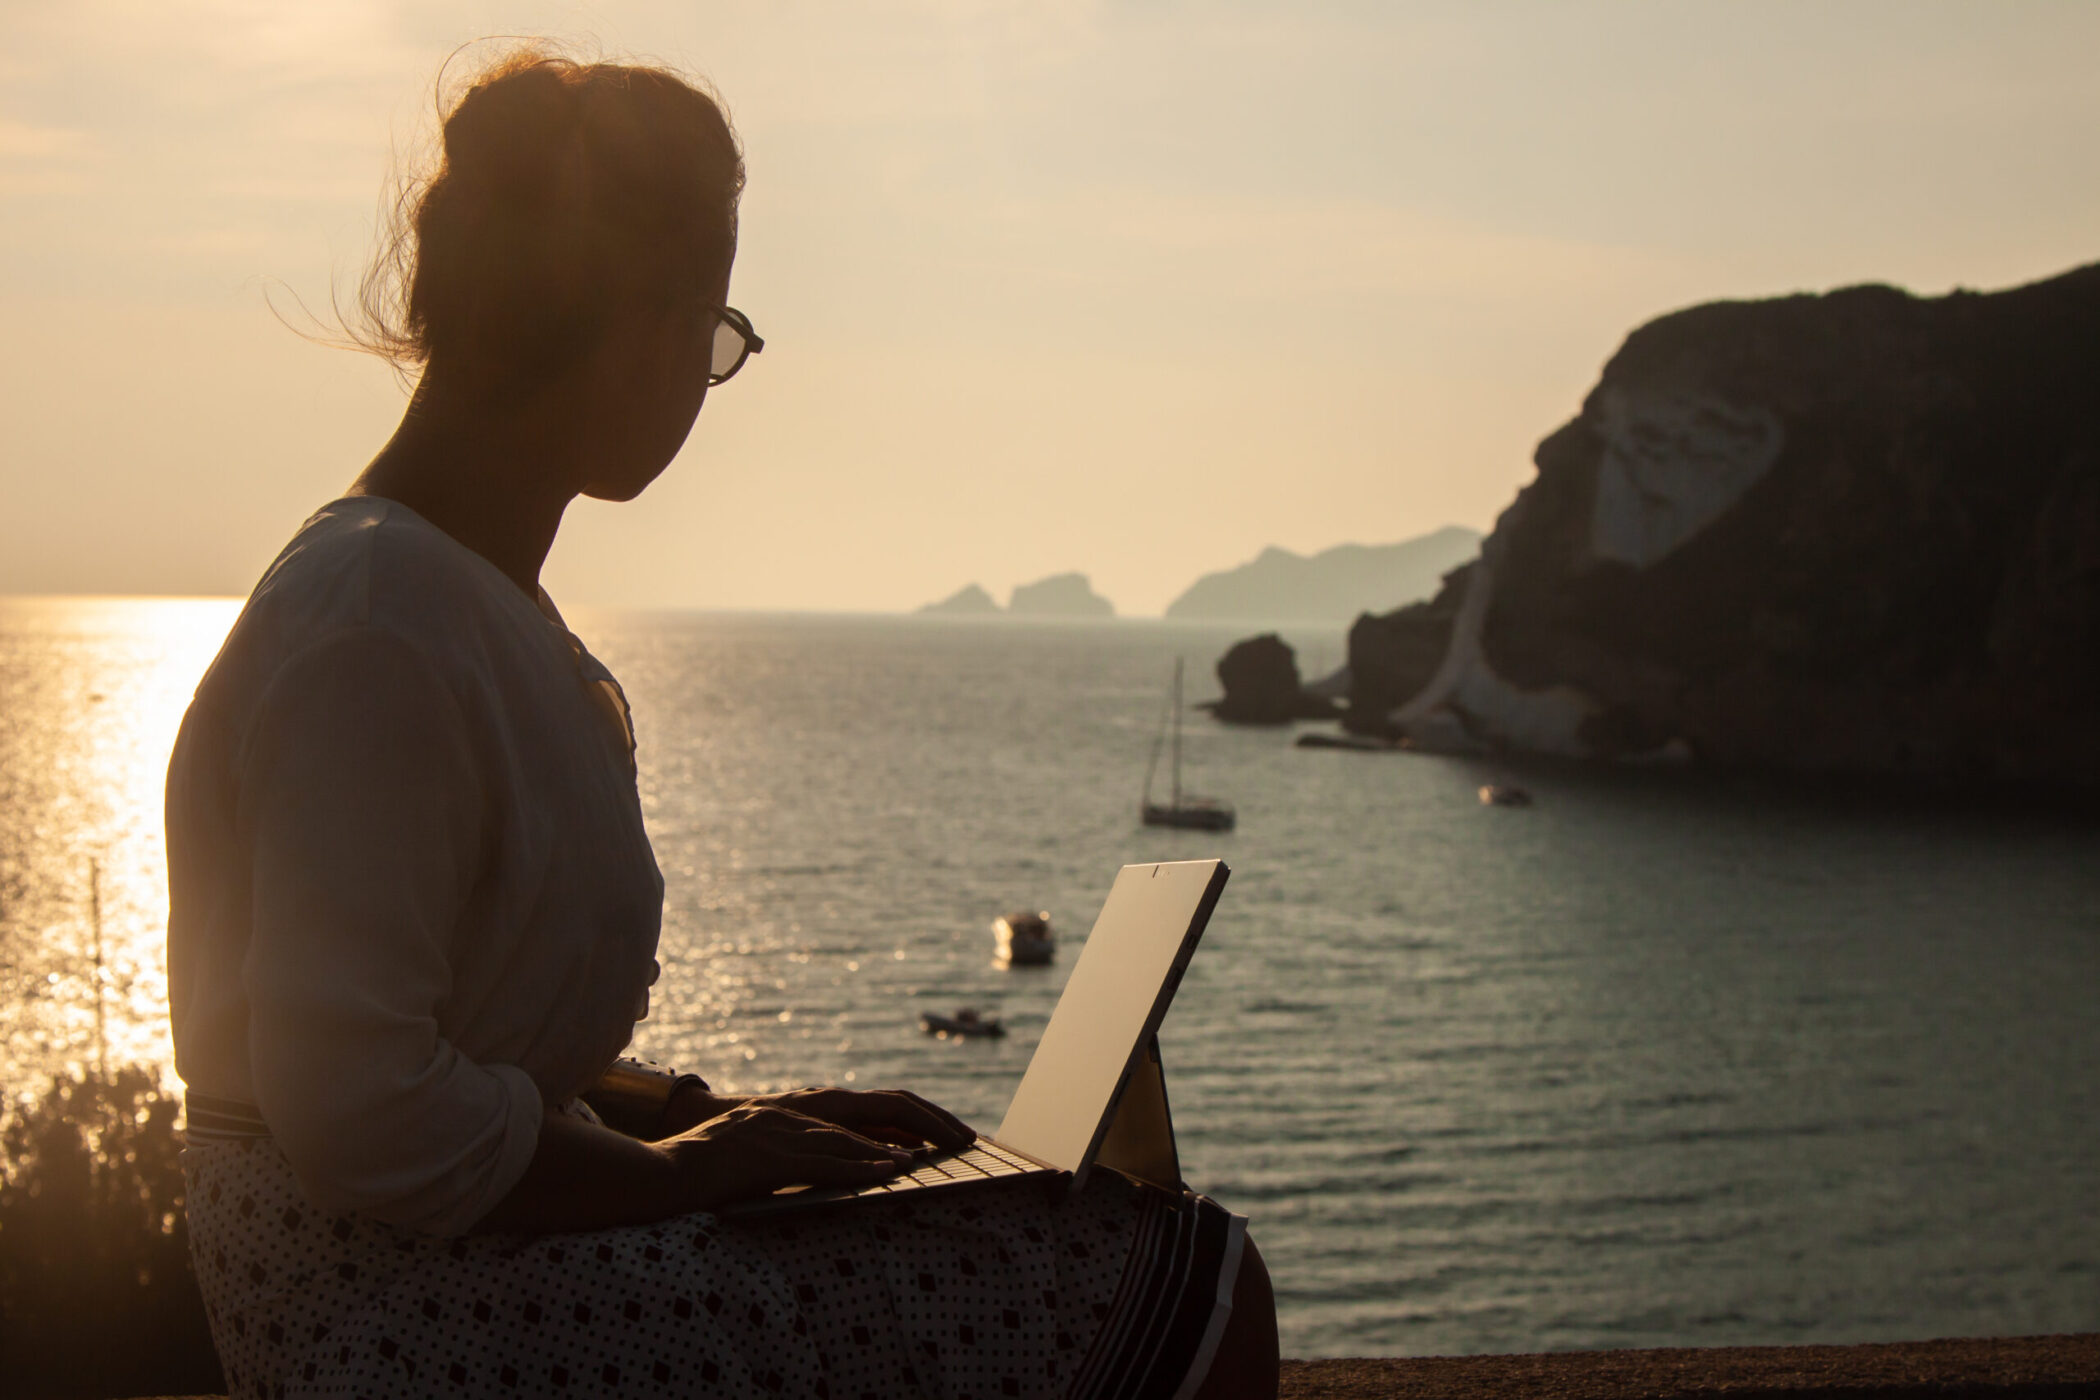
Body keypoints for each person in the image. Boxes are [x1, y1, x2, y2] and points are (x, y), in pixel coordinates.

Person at [165, 46, 1277, 1400]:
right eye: (711, 330)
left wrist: (713, 1116)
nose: (706, 379)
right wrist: (677, 1174)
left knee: (1085, 1243)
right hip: (401, 1305)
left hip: (447, 1259)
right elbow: (362, 1113)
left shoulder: (447, 596)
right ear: (620, 317)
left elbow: (464, 1038)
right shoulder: (378, 617)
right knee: (1176, 1276)